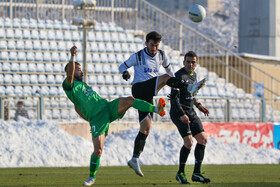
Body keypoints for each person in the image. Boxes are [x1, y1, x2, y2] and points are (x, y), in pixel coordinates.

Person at [63, 46, 167, 186]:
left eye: (80, 68)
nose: (80, 71)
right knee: (98, 150)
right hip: (98, 120)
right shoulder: (69, 86)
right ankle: (91, 177)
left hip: (107, 107)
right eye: (78, 68)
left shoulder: (83, 86)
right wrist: (72, 57)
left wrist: (87, 116)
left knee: (130, 100)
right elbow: (71, 84)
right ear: (71, 70)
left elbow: (78, 109)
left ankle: (156, 109)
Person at [118, 31, 206, 177]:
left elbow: (171, 72)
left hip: (148, 94)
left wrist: (175, 86)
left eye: (156, 45)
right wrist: (125, 73)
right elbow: (122, 66)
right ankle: (188, 88)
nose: (154, 48)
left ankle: (134, 158)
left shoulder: (162, 55)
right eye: (152, 45)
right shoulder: (138, 56)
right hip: (139, 88)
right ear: (146, 43)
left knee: (145, 128)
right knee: (165, 77)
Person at [169, 51, 210, 184]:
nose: (190, 64)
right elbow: (174, 99)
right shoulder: (178, 76)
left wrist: (199, 105)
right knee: (189, 142)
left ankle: (196, 173)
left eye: (193, 62)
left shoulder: (194, 76)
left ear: (196, 63)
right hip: (178, 112)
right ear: (184, 62)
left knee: (202, 140)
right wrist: (182, 114)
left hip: (191, 110)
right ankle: (180, 173)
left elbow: (191, 95)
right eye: (188, 62)